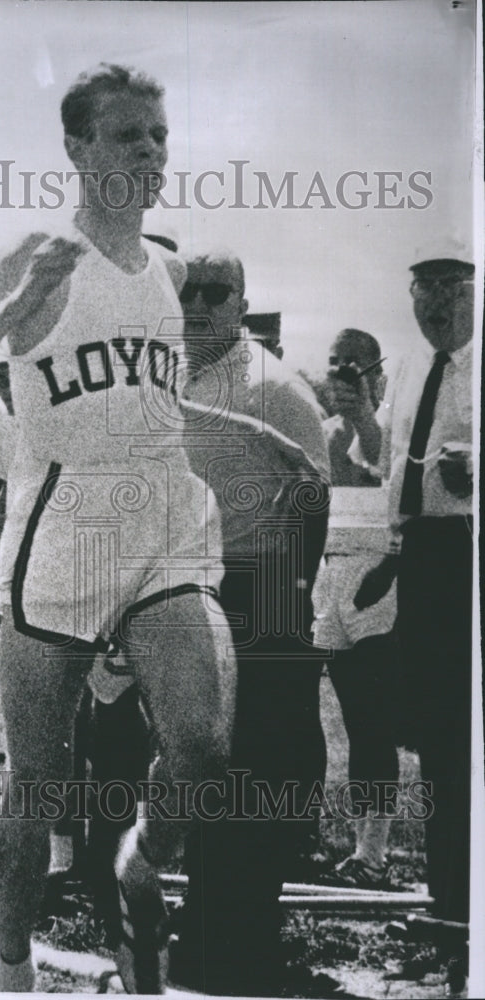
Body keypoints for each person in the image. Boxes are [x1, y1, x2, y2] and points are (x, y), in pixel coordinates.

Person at [0, 63, 236, 994]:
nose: (150, 151)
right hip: (63, 526)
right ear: (78, 149)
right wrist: (17, 312)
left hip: (161, 518)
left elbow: (157, 414)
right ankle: (13, 970)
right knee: (36, 788)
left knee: (203, 744)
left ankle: (140, 861)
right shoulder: (38, 252)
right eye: (129, 134)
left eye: (160, 136)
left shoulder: (170, 272)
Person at [170, 251, 332, 996]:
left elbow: (313, 494)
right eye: (186, 292)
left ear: (241, 302)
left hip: (262, 589)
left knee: (266, 764)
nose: (198, 304)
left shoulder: (270, 386)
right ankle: (211, 928)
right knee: (210, 761)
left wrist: (285, 603)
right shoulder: (176, 378)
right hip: (198, 587)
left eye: (215, 292)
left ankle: (241, 939)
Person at [352, 241, 474, 985]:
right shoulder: (409, 371)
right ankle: (449, 901)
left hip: (472, 559)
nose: (434, 303)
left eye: (450, 287)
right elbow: (386, 468)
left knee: (469, 741)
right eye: (422, 288)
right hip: (423, 567)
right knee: (437, 745)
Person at [313, 329, 399, 889]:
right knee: (329, 714)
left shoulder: (391, 425)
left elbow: (385, 471)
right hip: (327, 572)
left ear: (378, 373)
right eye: (335, 363)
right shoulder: (319, 433)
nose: (343, 374)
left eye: (356, 365)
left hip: (375, 573)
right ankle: (318, 834)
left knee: (372, 720)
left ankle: (374, 850)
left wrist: (365, 412)